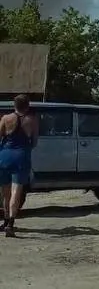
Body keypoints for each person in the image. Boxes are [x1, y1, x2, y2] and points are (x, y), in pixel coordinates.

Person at [0, 95, 38, 237]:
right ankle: (10, 224)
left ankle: (4, 221)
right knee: (16, 191)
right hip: (21, 156)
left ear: (14, 105)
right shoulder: (32, 120)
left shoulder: (6, 118)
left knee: (5, 192)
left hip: (4, 156)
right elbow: (34, 141)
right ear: (27, 106)